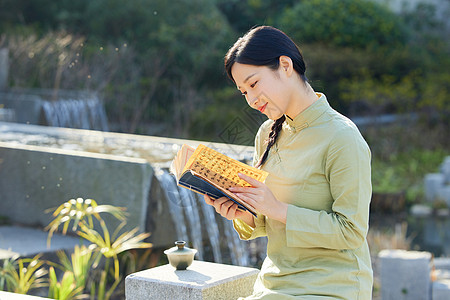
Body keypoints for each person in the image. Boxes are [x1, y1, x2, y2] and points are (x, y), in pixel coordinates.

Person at [204, 26, 373, 299]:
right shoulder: (267, 134)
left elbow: (351, 232)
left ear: (285, 65)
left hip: (331, 286)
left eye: (254, 83)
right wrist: (243, 213)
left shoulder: (342, 137)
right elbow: (268, 221)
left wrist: (278, 208)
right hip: (274, 283)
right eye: (243, 92)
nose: (251, 99)